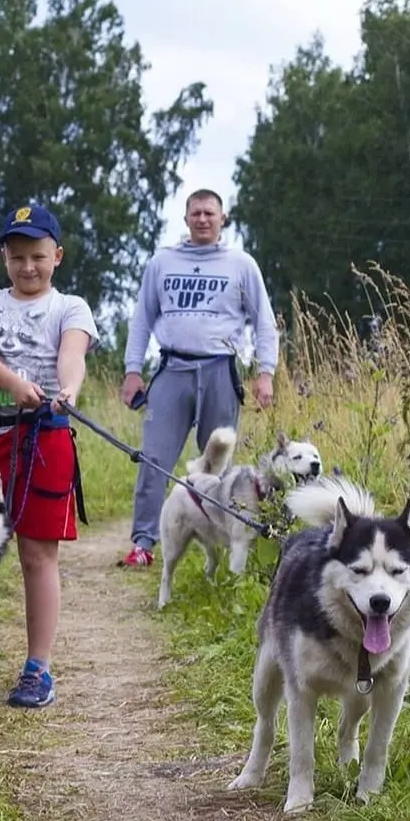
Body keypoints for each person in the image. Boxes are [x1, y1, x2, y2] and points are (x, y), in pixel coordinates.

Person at [0, 203, 98, 708]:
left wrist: (65, 390)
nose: (28, 267)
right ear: (4, 257)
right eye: (17, 257)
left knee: (36, 554)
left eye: (38, 256)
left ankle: (37, 669)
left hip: (45, 437)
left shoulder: (71, 308)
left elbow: (72, 356)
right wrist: (14, 384)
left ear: (57, 256)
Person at [118, 188, 278, 568]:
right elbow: (141, 319)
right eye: (196, 213)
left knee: (219, 462)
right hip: (173, 369)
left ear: (222, 220)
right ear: (186, 218)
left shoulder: (241, 264)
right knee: (154, 458)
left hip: (220, 368)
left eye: (210, 213)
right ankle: (144, 542)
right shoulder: (163, 262)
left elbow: (264, 323)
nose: (203, 219)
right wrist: (132, 370)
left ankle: (221, 542)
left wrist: (265, 373)